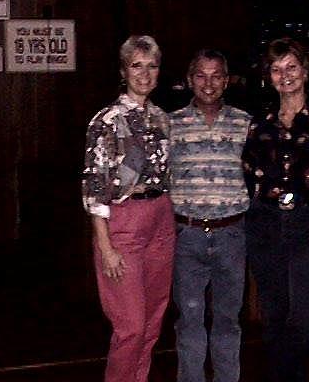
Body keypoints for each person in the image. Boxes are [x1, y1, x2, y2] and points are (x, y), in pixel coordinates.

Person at [82, 35, 175, 382]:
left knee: (152, 321)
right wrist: (105, 247)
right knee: (131, 325)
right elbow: (95, 190)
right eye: (136, 65)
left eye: (152, 66)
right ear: (123, 71)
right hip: (124, 222)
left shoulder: (162, 119)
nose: (144, 73)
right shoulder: (105, 121)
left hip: (161, 218)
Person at [242, 37, 309, 382]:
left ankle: (273, 373)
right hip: (266, 224)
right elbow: (248, 174)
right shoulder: (260, 123)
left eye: (291, 67)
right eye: (276, 69)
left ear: (305, 70)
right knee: (275, 316)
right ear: (269, 77)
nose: (285, 75)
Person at [168, 49, 252, 382]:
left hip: (231, 234)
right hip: (187, 235)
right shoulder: (171, 124)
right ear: (190, 80)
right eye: (201, 75)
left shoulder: (244, 123)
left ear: (226, 81)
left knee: (228, 320)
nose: (209, 83)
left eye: (216, 75)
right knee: (189, 320)